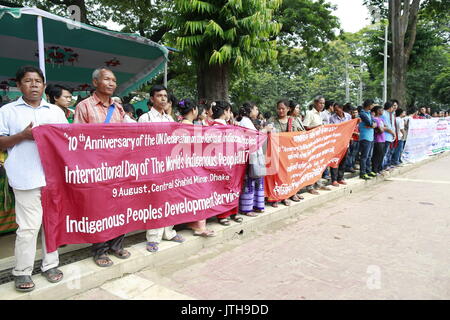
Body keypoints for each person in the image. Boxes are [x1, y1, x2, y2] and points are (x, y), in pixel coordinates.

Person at [0, 66, 68, 292]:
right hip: (25, 176)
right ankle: (22, 271)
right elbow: (0, 142)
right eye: (28, 81)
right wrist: (23, 136)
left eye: (38, 81)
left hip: (53, 179)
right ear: (19, 85)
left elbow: (67, 141)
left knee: (52, 224)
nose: (34, 85)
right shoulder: (7, 111)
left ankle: (50, 265)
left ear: (44, 85)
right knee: (29, 228)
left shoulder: (55, 111)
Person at [74, 67, 131, 267]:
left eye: (114, 80)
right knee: (98, 210)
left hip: (117, 167)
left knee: (119, 206)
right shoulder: (84, 107)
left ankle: (117, 245)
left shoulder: (119, 108)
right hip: (95, 168)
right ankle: (100, 250)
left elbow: (126, 137)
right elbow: (78, 139)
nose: (111, 83)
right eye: (107, 79)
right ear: (95, 82)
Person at [138, 85, 185, 252]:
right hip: (153, 166)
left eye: (165, 96)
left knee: (169, 199)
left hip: (169, 166)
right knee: (155, 201)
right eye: (159, 96)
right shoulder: (145, 119)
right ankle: (153, 238)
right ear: (151, 99)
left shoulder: (170, 120)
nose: (163, 99)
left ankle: (169, 232)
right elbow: (140, 145)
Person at [178, 98, 215, 237]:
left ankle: (192, 222)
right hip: (194, 167)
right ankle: (199, 226)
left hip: (181, 166)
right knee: (202, 193)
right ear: (194, 110)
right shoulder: (194, 129)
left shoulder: (177, 126)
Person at [209, 100, 243, 225]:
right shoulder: (219, 127)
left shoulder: (215, 127)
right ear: (225, 111)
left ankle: (230, 212)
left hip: (227, 162)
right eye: (229, 111)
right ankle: (225, 213)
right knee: (225, 188)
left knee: (228, 188)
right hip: (223, 163)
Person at [268, 99, 305, 206]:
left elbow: (302, 134)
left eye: (283, 108)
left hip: (291, 153)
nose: (280, 111)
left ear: (288, 109)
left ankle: (291, 193)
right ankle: (278, 197)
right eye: (278, 108)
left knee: (291, 174)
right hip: (277, 154)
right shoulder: (272, 120)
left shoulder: (294, 120)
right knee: (277, 176)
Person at [236, 102, 265, 216]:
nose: (257, 111)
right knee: (249, 181)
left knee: (255, 180)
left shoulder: (248, 121)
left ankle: (255, 205)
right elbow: (253, 137)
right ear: (250, 110)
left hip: (254, 155)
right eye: (256, 109)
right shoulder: (245, 122)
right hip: (249, 156)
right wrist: (264, 130)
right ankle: (246, 209)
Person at [302, 96, 332, 194]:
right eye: (320, 103)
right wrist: (317, 127)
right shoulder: (310, 113)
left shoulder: (320, 114)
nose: (322, 105)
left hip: (319, 143)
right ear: (315, 103)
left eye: (323, 103)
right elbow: (305, 127)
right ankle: (310, 186)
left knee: (319, 165)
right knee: (311, 165)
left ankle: (318, 184)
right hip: (311, 144)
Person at [329, 102, 352, 186]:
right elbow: (331, 129)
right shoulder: (332, 118)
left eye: (337, 110)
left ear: (341, 108)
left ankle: (340, 178)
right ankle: (334, 179)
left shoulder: (348, 116)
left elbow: (350, 127)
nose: (335, 111)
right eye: (334, 110)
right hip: (336, 142)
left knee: (343, 160)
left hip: (345, 142)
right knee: (335, 161)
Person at [359, 99, 378, 180]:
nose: (373, 106)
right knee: (364, 156)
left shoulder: (369, 113)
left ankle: (368, 171)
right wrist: (372, 125)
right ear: (369, 105)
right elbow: (370, 123)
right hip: (365, 137)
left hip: (370, 137)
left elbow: (375, 123)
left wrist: (372, 125)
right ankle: (362, 173)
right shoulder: (362, 113)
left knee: (369, 156)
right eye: (372, 105)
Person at [371, 105, 386, 174]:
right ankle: (375, 169)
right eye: (381, 110)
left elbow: (384, 127)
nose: (382, 111)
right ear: (377, 111)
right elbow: (380, 130)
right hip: (378, 140)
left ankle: (379, 169)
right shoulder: (374, 119)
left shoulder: (381, 119)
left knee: (381, 155)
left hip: (383, 139)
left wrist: (381, 128)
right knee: (377, 155)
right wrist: (380, 129)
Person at [381, 101, 397, 170]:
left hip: (390, 136)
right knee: (384, 153)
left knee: (387, 152)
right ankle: (382, 166)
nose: (394, 108)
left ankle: (387, 164)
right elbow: (386, 126)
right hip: (385, 136)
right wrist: (393, 133)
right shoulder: (383, 114)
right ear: (390, 107)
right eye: (393, 106)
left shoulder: (391, 114)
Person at [345, 107, 360, 173]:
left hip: (358, 139)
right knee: (350, 153)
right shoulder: (350, 120)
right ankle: (349, 166)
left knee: (354, 154)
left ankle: (352, 165)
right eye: (353, 112)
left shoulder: (359, 120)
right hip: (352, 139)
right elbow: (348, 130)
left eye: (356, 112)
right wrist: (355, 133)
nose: (355, 114)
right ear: (351, 113)